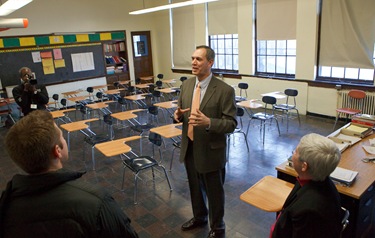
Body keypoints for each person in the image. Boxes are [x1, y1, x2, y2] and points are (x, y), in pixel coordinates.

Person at [0, 110, 139, 238]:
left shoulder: (6, 204)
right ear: (57, 151)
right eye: (62, 137)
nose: (64, 140)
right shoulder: (96, 202)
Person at [173, 45, 237, 238]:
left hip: (211, 150)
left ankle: (218, 227)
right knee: (194, 187)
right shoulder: (186, 86)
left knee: (214, 193)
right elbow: (182, 112)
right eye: (192, 58)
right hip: (190, 146)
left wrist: (209, 122)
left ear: (210, 62)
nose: (193, 62)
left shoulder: (224, 90)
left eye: (198, 59)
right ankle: (199, 217)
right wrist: (177, 116)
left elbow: (231, 123)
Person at [271, 133, 342, 238]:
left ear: (304, 166)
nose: (292, 154)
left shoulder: (309, 211)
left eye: (295, 152)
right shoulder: (317, 179)